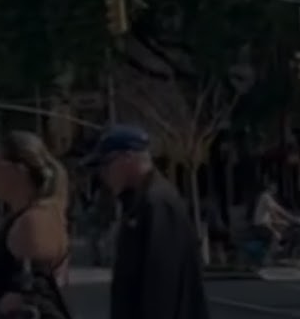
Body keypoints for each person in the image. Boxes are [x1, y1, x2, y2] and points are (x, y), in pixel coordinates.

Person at [80, 125, 208, 319]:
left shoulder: (157, 203)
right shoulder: (139, 203)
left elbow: (162, 284)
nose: (102, 174)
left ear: (128, 158)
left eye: (106, 165)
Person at [0, 131, 73, 319]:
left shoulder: (33, 223)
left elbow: (32, 300)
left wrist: (1, 305)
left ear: (19, 169)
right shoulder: (34, 215)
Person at [251, 180, 300, 262]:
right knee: (276, 236)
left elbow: (280, 210)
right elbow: (273, 211)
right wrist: (281, 220)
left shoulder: (270, 197)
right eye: (274, 186)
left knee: (285, 230)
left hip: (267, 223)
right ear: (269, 187)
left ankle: (280, 250)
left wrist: (294, 218)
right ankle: (268, 258)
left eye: (276, 186)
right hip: (261, 224)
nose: (276, 188)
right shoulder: (265, 196)